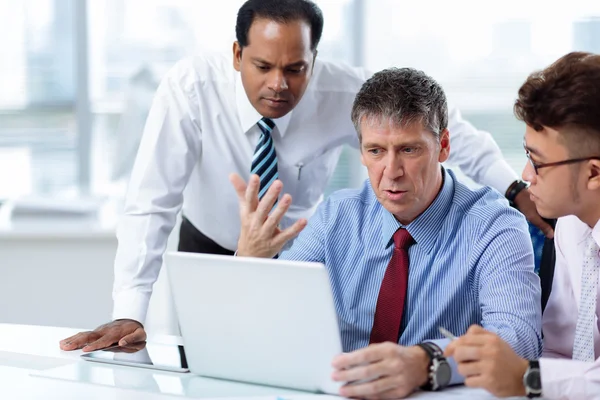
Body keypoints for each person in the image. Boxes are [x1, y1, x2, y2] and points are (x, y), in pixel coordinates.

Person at [59, 0, 548, 352]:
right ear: (236, 56)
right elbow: (150, 204)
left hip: (298, 242)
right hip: (213, 244)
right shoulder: (191, 90)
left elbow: (446, 130)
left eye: (295, 68)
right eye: (263, 66)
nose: (279, 84)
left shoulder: (345, 94)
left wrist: (515, 190)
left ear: (314, 60)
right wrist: (131, 309)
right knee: (204, 359)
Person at [231, 67, 542, 399]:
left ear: (444, 146)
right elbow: (275, 316)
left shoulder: (494, 225)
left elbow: (517, 340)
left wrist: (426, 363)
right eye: (376, 151)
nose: (391, 173)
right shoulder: (336, 216)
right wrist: (249, 264)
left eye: (409, 150)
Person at [445, 52, 600, 399]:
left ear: (593, 172)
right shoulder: (571, 227)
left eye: (539, 163)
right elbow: (561, 351)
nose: (526, 177)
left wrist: (528, 377)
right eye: (527, 156)